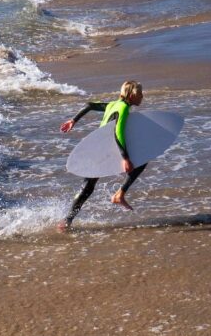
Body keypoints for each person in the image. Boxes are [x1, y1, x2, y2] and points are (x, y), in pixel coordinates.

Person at [58, 80, 146, 231]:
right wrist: (125, 158)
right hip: (108, 149)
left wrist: (73, 120)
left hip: (98, 147)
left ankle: (67, 220)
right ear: (131, 96)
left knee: (88, 186)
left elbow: (90, 105)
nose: (142, 97)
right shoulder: (123, 108)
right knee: (141, 161)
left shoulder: (113, 104)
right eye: (140, 94)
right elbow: (117, 133)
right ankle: (119, 195)